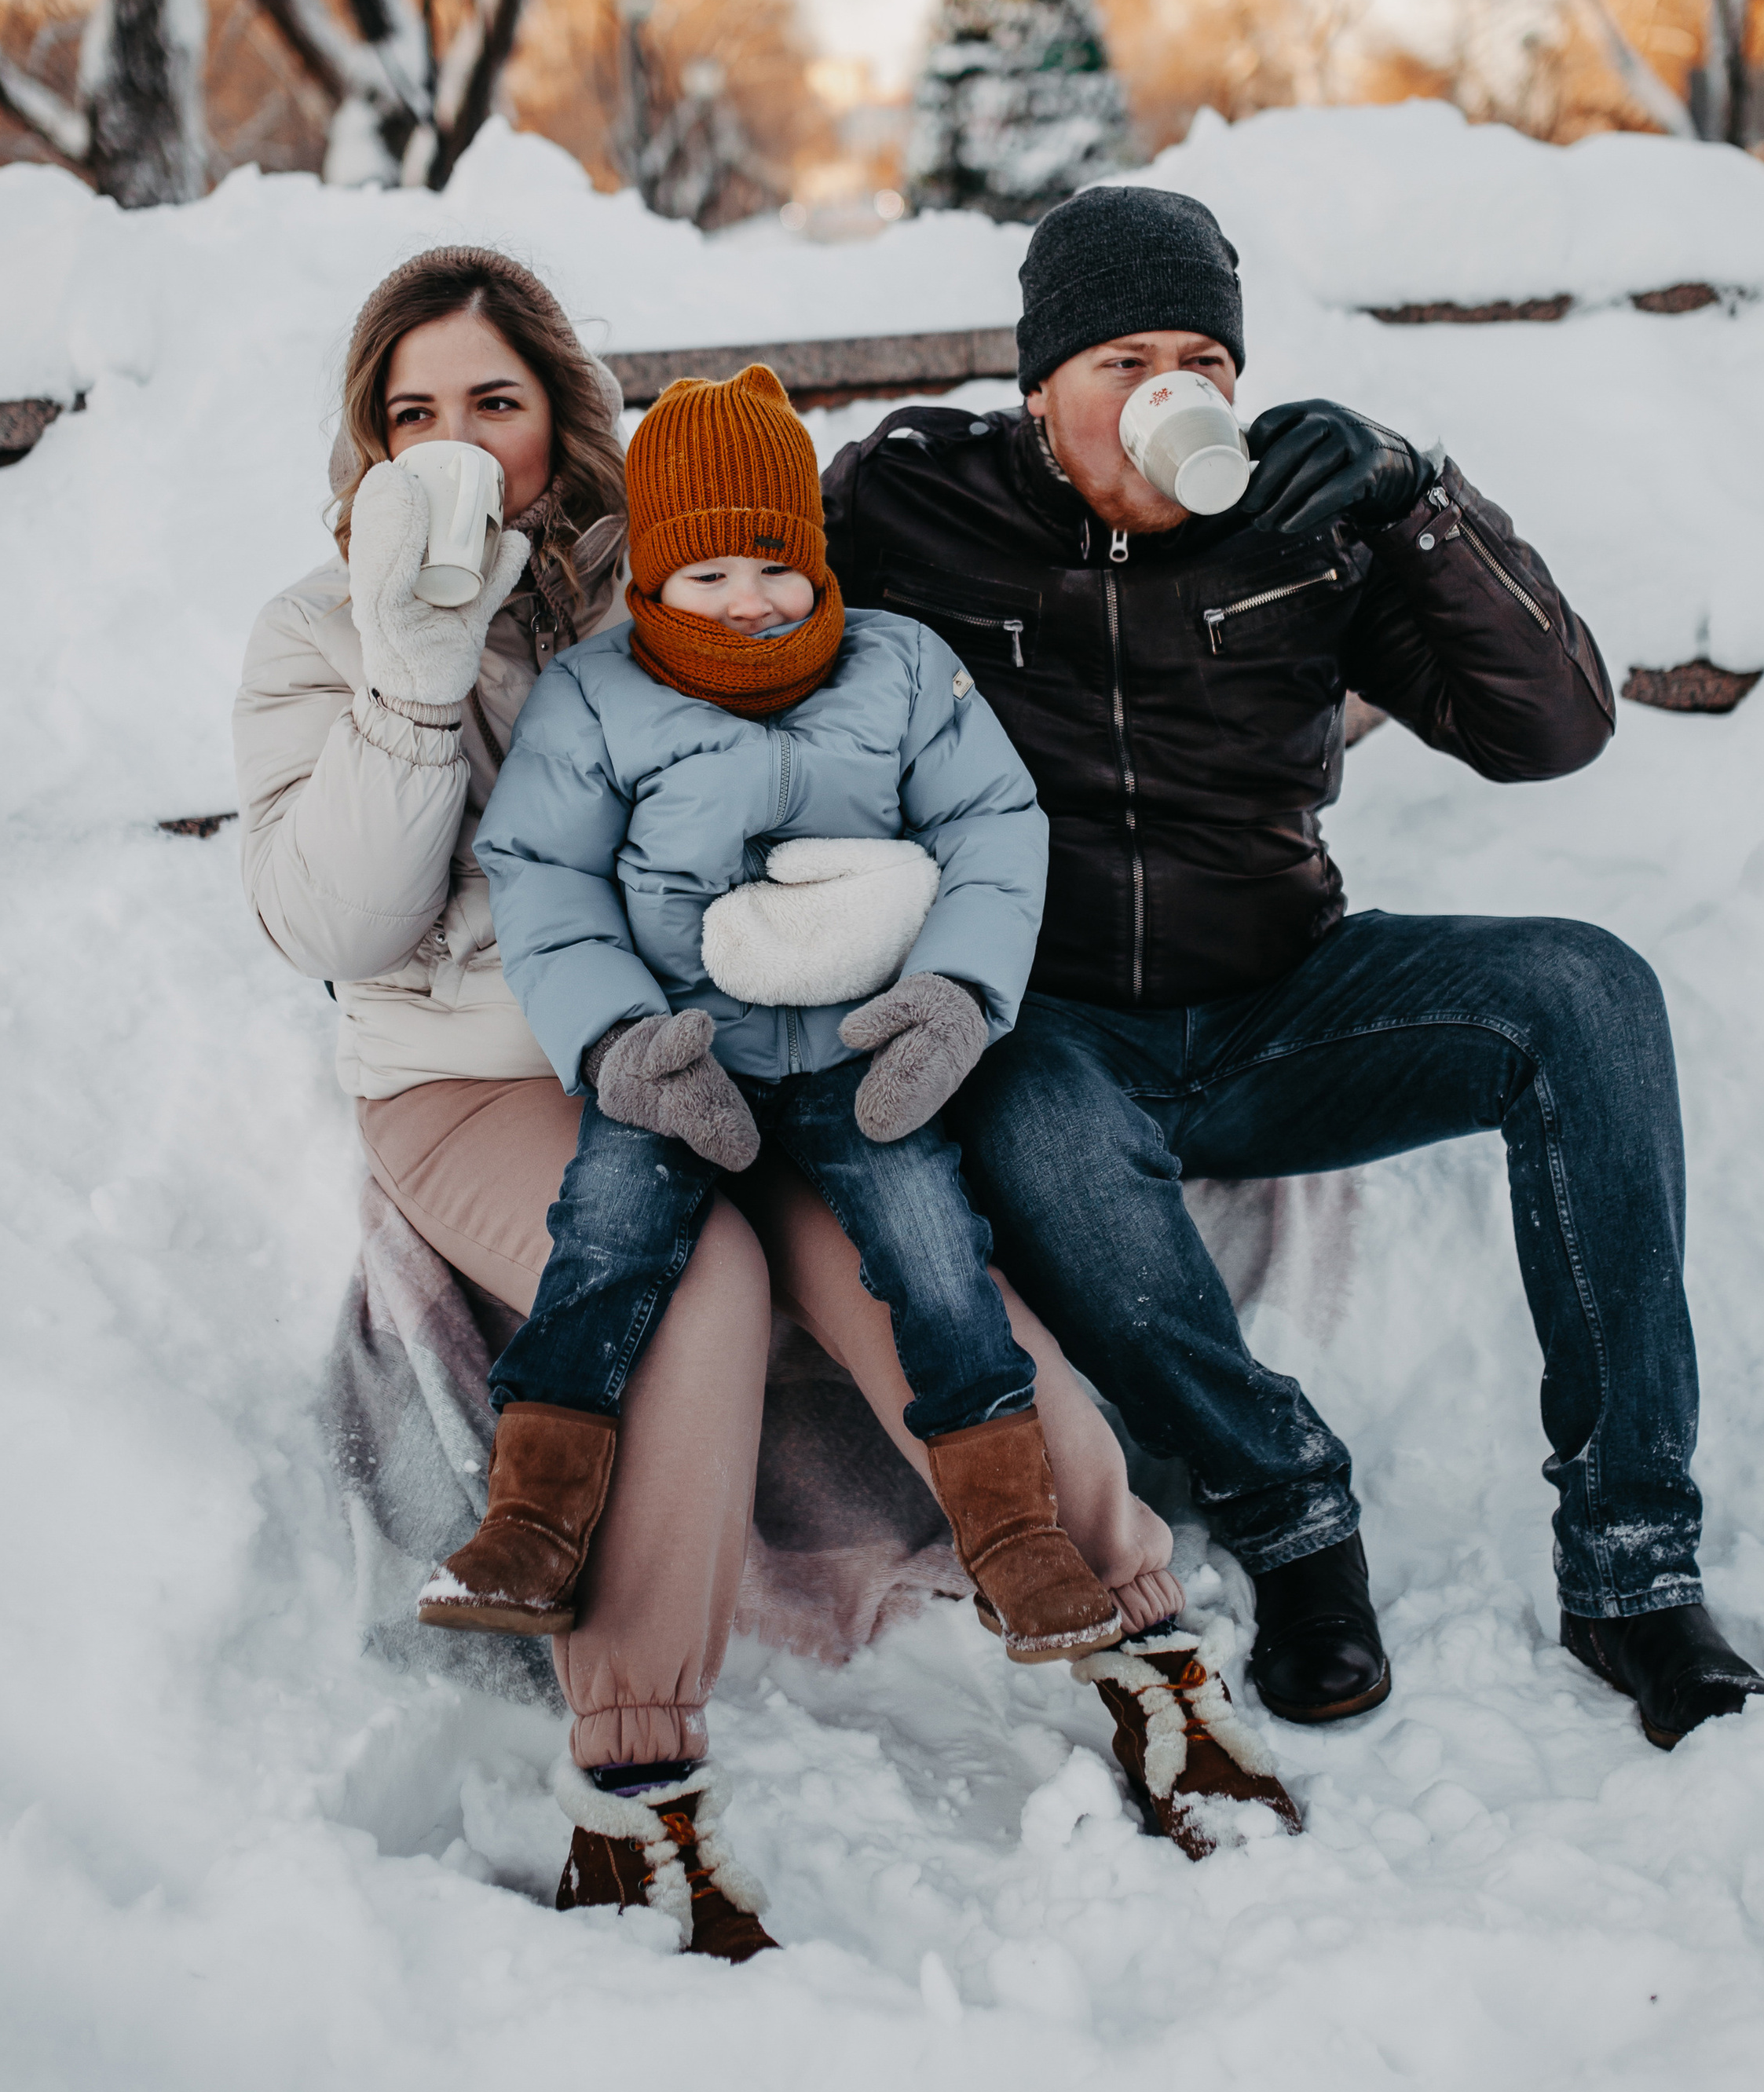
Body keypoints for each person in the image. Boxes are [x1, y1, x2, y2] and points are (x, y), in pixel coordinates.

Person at [233, 247, 1191, 1962]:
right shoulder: (318, 633)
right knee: (697, 1283)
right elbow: (342, 927)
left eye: (494, 405)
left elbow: (834, 800)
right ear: (371, 448)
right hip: (478, 1081)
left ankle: (1134, 1638)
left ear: (558, 423)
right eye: (413, 414)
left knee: (912, 1257)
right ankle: (635, 1786)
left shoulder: (671, 594)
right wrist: (414, 666)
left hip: (743, 1064)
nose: (456, 441)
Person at [823, 181, 1764, 1755]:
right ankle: (1291, 1525)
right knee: (1038, 1116)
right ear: (1037, 384)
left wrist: (1417, 497)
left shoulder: (1301, 521)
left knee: (1587, 993)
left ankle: (1630, 1572)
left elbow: (1551, 732)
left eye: (1198, 357)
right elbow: (717, 580)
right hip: (1043, 1014)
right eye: (1119, 360)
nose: (1164, 397)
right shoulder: (910, 502)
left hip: (1283, 998)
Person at [440, 359, 1122, 1682]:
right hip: (683, 1057)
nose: (747, 601)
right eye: (707, 573)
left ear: (817, 561)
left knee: (935, 1251)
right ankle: (532, 1517)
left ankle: (1016, 1532)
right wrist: (619, 1042)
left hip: (867, 1057)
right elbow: (544, 874)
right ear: (653, 581)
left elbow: (994, 823)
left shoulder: (901, 667)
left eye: (774, 564)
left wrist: (959, 997)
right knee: (607, 1234)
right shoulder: (597, 696)